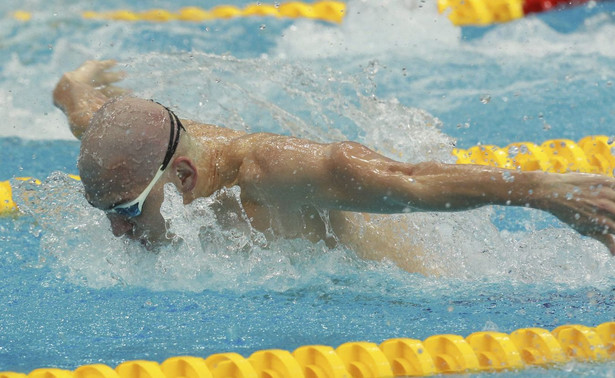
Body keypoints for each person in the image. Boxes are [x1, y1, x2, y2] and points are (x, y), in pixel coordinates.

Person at [53, 60, 615, 272]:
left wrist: (547, 189)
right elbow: (82, 108)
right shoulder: (122, 152)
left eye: (126, 211)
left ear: (185, 177)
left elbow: (411, 182)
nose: (117, 232)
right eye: (106, 211)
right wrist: (76, 86)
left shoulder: (277, 174)